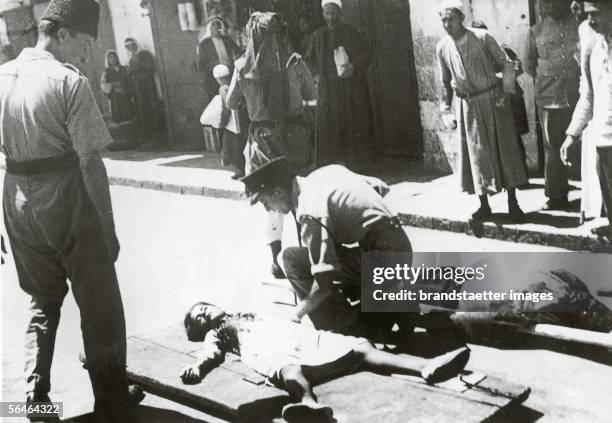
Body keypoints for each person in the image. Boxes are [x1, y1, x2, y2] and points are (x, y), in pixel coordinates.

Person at [0, 0, 139, 421]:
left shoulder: (1, 77)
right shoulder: (68, 81)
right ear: (61, 32)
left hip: (17, 201)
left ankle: (35, 399)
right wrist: (108, 225)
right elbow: (89, 161)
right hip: (66, 197)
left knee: (42, 298)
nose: (85, 54)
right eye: (82, 43)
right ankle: (111, 399)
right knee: (99, 303)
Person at [180, 301, 470, 423]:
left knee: (357, 348)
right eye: (199, 318)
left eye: (204, 307)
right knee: (288, 366)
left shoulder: (248, 312)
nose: (204, 313)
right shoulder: (217, 334)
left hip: (301, 337)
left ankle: (425, 366)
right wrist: (198, 367)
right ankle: (309, 403)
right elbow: (210, 354)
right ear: (201, 329)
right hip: (266, 348)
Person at [240, 157, 413, 337]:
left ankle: (346, 326)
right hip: (396, 246)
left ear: (278, 193)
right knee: (326, 254)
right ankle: (387, 299)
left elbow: (324, 281)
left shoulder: (309, 210)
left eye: (266, 203)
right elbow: (380, 186)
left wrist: (297, 313)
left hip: (383, 259)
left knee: (290, 258)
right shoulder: (324, 174)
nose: (269, 209)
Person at [228, 12, 317, 279]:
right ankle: (309, 258)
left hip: (264, 139)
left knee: (271, 199)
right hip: (294, 137)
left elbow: (232, 102)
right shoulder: (295, 62)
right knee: (300, 198)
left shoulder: (243, 66)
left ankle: (277, 262)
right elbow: (312, 94)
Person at [437, 1, 528, 223]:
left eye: (451, 19)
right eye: (443, 20)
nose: (447, 24)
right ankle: (484, 205)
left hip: (493, 102)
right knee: (476, 157)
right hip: (467, 106)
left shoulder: (482, 37)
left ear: (462, 18)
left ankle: (513, 204)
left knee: (504, 152)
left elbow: (507, 64)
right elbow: (444, 82)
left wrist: (505, 93)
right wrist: (446, 109)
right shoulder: (442, 47)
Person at [562, 1, 612, 240]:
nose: (590, 20)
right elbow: (588, 96)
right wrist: (572, 134)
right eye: (587, 14)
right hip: (604, 140)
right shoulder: (592, 47)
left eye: (596, 14)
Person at [524, 0, 580, 210]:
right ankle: (556, 195)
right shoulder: (535, 31)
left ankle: (599, 195)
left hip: (578, 93)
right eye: (547, 2)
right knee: (553, 147)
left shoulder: (579, 25)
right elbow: (529, 64)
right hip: (550, 96)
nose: (551, 5)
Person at [305, 0, 374, 167]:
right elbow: (308, 60)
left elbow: (366, 54)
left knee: (352, 123)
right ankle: (331, 166)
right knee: (329, 125)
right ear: (323, 14)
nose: (331, 17)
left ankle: (355, 164)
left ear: (339, 13)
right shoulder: (317, 36)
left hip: (349, 88)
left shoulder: (351, 32)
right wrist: (315, 75)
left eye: (334, 13)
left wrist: (354, 66)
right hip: (328, 90)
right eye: (327, 13)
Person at [197, 16, 242, 105]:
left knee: (233, 102)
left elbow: (238, 52)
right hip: (213, 80)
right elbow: (202, 64)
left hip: (230, 76)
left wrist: (234, 60)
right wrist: (220, 65)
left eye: (218, 24)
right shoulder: (204, 44)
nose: (216, 27)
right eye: (213, 25)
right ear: (209, 28)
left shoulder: (227, 39)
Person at [124, 37, 159, 147]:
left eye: (132, 45)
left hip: (148, 88)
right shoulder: (130, 60)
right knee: (141, 113)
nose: (130, 48)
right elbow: (129, 75)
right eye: (127, 46)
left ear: (136, 44)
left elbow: (151, 68)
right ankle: (146, 139)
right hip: (137, 91)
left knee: (152, 111)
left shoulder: (145, 54)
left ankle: (157, 138)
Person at [214, 64, 246, 178]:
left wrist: (222, 122)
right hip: (242, 121)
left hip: (232, 124)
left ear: (218, 79)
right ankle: (245, 170)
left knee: (232, 148)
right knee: (242, 145)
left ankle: (241, 171)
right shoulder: (235, 85)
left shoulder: (223, 89)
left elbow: (226, 108)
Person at [101, 50, 133, 123]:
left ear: (117, 58)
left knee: (130, 116)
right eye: (110, 58)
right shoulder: (106, 71)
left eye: (114, 57)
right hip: (115, 97)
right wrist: (113, 87)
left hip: (125, 95)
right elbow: (103, 85)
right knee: (119, 117)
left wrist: (126, 90)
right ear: (108, 60)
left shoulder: (123, 69)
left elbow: (130, 81)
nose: (112, 59)